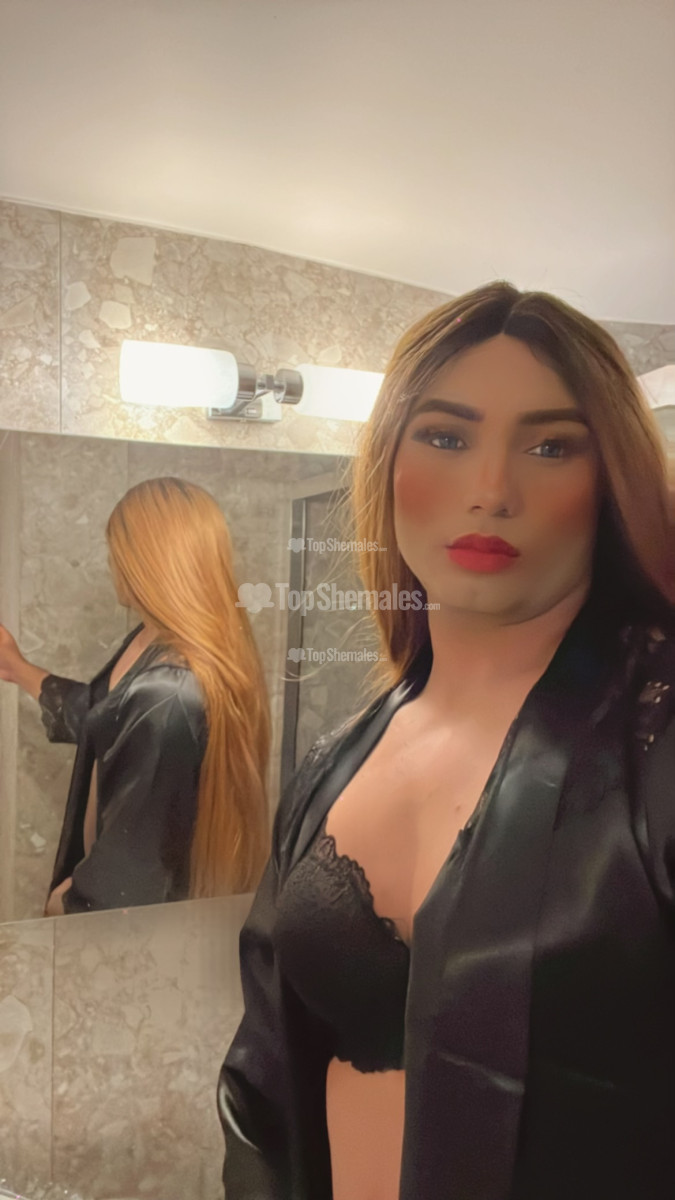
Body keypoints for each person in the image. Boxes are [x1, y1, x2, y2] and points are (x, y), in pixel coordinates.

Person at [217, 281, 675, 1200]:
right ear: (388, 463)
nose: (491, 491)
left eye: (550, 447)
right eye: (446, 437)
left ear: (609, 483)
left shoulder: (654, 749)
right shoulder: (336, 760)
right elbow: (265, 1086)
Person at [0, 476, 270, 914]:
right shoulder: (154, 639)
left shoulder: (169, 693)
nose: (112, 565)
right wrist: (18, 668)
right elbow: (107, 718)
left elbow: (131, 874)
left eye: (116, 552)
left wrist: (65, 902)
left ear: (144, 561)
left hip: (124, 922)